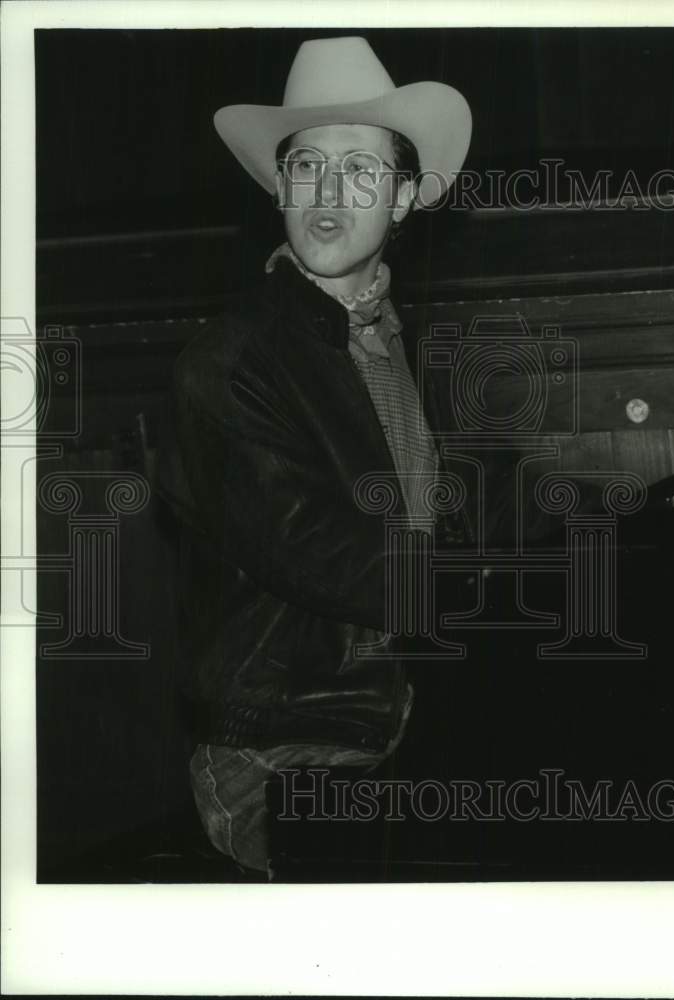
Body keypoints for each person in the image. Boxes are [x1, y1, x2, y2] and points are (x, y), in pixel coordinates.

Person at [156, 36, 473, 874]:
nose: (329, 196)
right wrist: (499, 580)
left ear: (404, 198)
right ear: (277, 190)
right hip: (281, 754)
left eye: (362, 172)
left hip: (384, 722)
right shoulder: (229, 363)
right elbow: (320, 553)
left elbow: (429, 512)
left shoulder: (393, 344)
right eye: (306, 169)